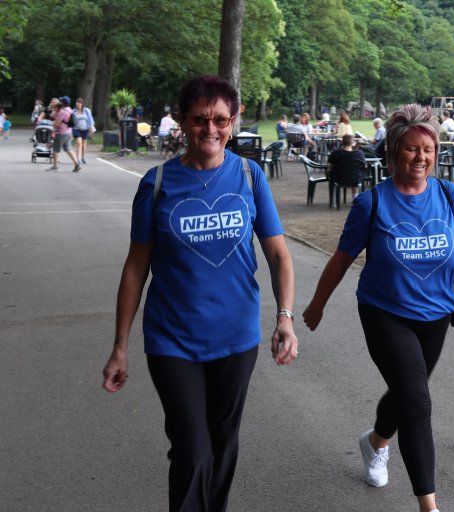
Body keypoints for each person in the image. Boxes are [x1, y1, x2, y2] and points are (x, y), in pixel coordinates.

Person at [302, 103, 454, 512]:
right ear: (392, 152)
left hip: (435, 315)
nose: (420, 157)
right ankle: (429, 506)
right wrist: (316, 305)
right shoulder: (372, 204)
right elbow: (341, 259)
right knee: (419, 402)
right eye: (410, 148)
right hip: (384, 313)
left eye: (428, 149)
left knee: (409, 392)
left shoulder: (448, 194)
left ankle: (375, 443)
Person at [101, 74, 299, 512]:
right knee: (193, 449)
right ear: (181, 121)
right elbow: (136, 268)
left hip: (236, 337)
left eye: (221, 120)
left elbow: (279, 256)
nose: (211, 130)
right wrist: (120, 347)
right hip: (173, 340)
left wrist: (285, 317)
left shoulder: (249, 176)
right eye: (199, 120)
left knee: (224, 443)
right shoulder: (156, 184)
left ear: (234, 120)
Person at [48, 96, 81, 172]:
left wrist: (54, 124)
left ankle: (55, 166)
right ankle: (77, 164)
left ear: (62, 103)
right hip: (68, 132)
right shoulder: (69, 110)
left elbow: (57, 124)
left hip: (61, 133)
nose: (59, 102)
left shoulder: (62, 112)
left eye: (60, 101)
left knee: (56, 149)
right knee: (68, 149)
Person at [328, 133, 366, 198]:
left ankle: (333, 200)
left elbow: (330, 167)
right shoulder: (359, 154)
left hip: (339, 179)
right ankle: (355, 197)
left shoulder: (335, 153)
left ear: (342, 142)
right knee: (355, 172)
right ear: (353, 143)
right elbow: (365, 167)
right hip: (356, 179)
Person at [71, 98, 95, 164]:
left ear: (82, 104)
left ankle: (82, 158)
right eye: (76, 102)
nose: (77, 104)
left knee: (83, 145)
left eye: (79, 102)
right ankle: (78, 159)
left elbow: (90, 120)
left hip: (85, 129)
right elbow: (70, 121)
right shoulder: (73, 111)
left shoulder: (87, 111)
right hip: (76, 129)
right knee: (79, 143)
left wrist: (91, 127)